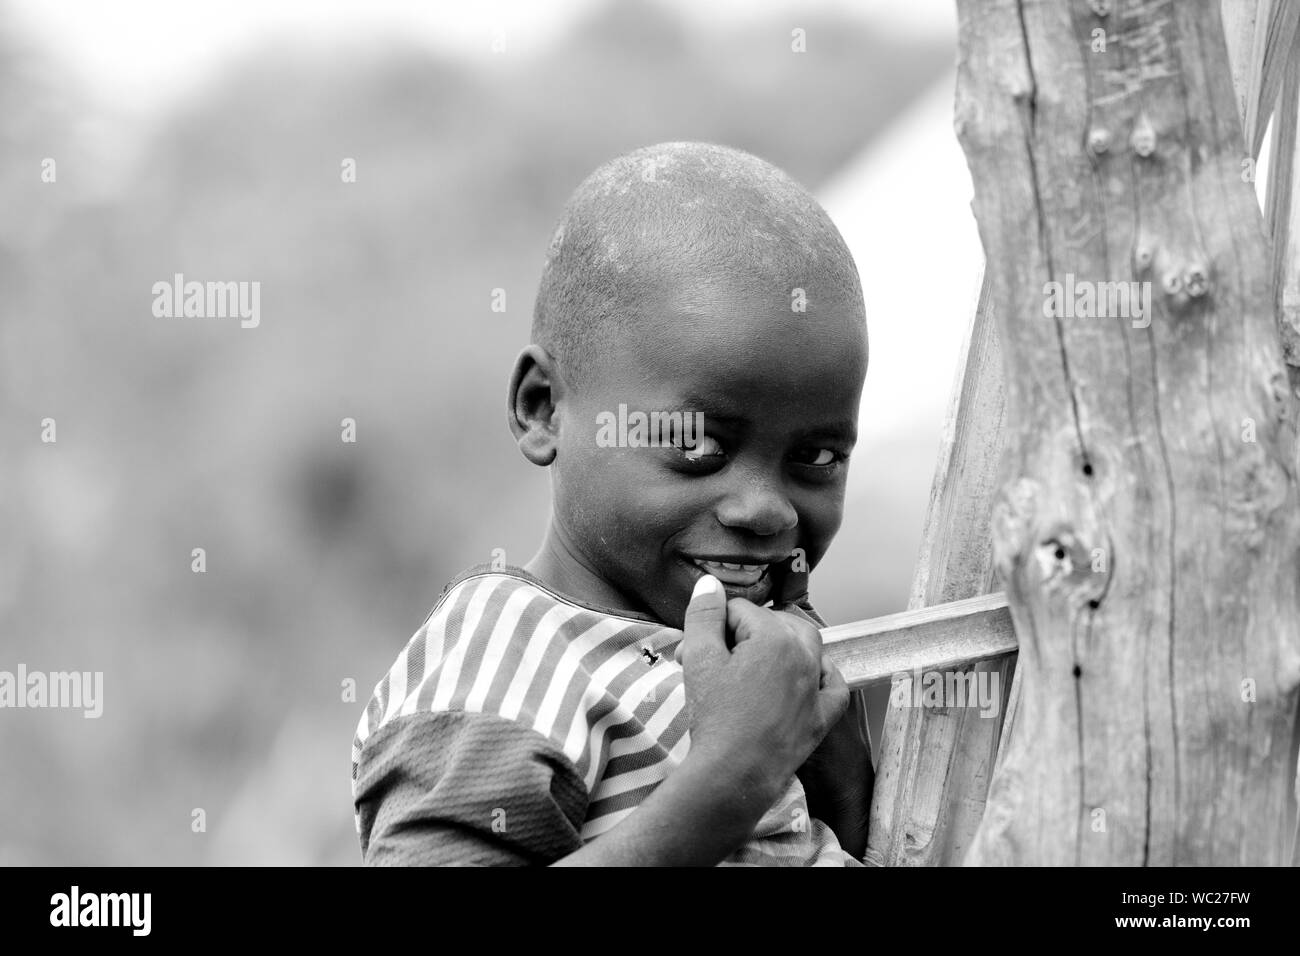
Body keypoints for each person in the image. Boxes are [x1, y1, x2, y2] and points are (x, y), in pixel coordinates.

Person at [352, 141, 873, 865]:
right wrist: (730, 778)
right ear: (543, 408)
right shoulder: (509, 669)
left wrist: (830, 760)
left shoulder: (736, 654)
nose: (766, 510)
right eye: (697, 443)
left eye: (815, 458)